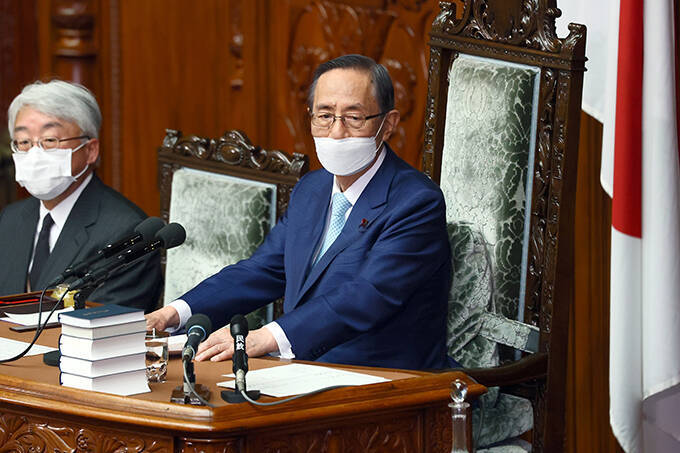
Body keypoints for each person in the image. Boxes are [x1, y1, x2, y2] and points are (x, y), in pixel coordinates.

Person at [146, 54, 451, 369]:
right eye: (325, 115)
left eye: (354, 117)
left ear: (388, 125)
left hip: (384, 379)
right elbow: (264, 270)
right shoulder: (311, 189)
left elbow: (368, 295)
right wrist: (174, 313)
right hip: (296, 369)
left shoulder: (416, 202)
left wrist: (266, 337)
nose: (336, 132)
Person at [0, 80, 162, 312]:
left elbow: (104, 322)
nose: (34, 153)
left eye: (50, 140)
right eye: (24, 142)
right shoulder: (10, 219)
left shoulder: (126, 233)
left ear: (90, 150)